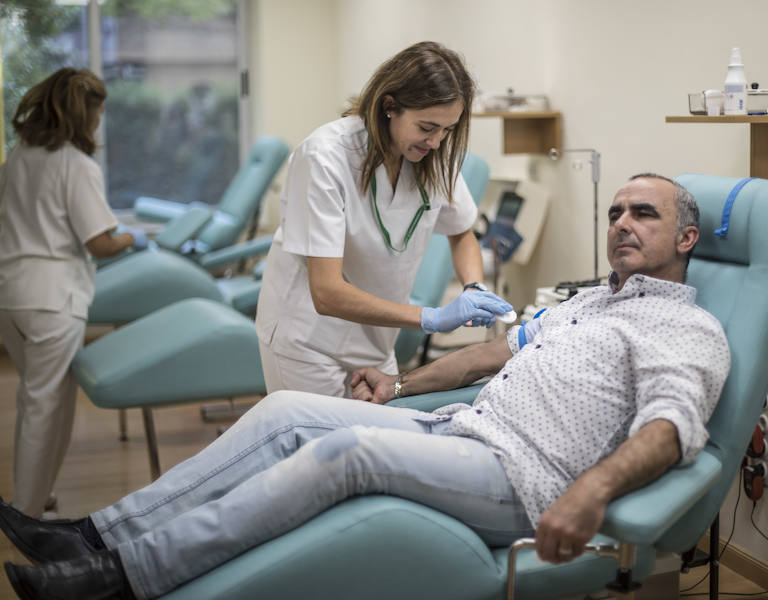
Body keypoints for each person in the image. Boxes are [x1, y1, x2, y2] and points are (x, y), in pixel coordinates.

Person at [0, 174, 730, 600]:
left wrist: (591, 492)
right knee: (286, 410)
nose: (621, 225)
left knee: (346, 454)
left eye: (644, 214)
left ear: (687, 240)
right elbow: (491, 356)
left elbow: (670, 427)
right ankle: (96, 535)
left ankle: (120, 578)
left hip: (526, 477)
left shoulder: (684, 329)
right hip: (460, 431)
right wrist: (398, 382)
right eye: (614, 213)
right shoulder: (585, 302)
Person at [254, 41, 511, 397]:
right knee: (318, 450)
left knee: (374, 449)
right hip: (308, 338)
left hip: (375, 343)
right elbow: (326, 293)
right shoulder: (325, 157)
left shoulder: (431, 158)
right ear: (390, 106)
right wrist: (430, 317)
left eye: (447, 130)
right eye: (427, 127)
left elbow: (461, 232)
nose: (436, 142)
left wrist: (473, 287)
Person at [0, 68, 146, 519]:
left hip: (10, 296)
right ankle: (26, 515)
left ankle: (36, 495)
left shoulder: (17, 157)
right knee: (48, 405)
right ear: (86, 114)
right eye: (98, 114)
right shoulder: (76, 164)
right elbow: (99, 242)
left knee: (35, 397)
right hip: (52, 299)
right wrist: (132, 239)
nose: (99, 124)